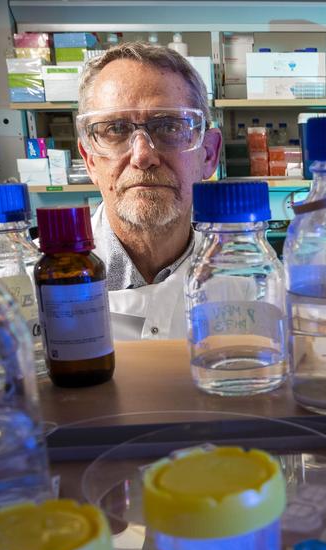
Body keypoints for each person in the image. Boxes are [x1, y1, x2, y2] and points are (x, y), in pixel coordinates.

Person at [76, 42, 222, 339]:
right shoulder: (30, 286)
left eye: (169, 127)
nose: (142, 156)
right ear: (90, 159)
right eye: (114, 130)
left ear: (208, 155)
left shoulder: (250, 277)